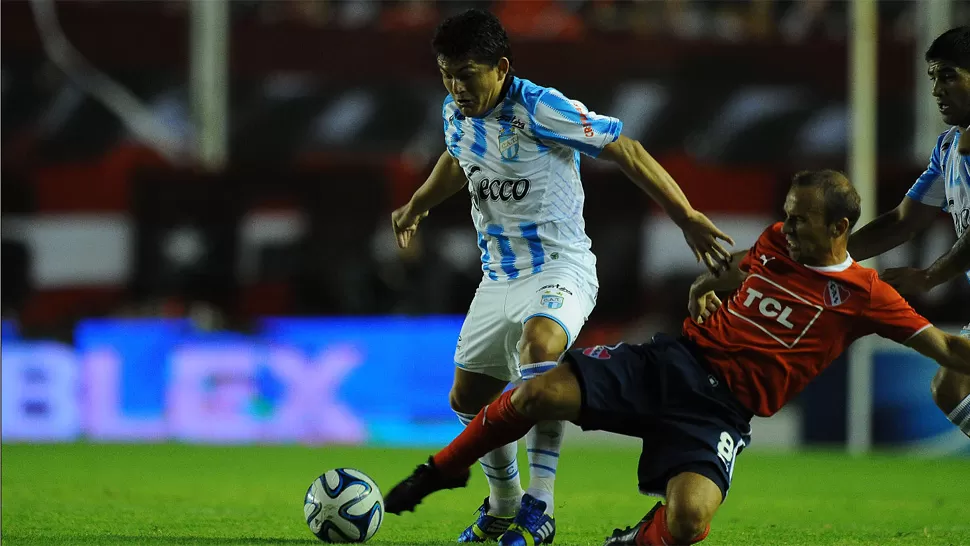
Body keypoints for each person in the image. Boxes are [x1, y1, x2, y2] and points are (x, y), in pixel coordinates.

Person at [384, 170, 970, 546]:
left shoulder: (867, 297)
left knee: (689, 522)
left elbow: (944, 348)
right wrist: (704, 284)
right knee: (535, 391)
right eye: (786, 213)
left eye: (800, 219)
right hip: (672, 363)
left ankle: (635, 539)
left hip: (720, 414)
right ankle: (440, 471)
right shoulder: (774, 243)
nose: (785, 227)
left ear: (840, 227)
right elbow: (738, 263)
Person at [389, 8, 735, 545]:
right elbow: (459, 159)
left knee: (539, 349)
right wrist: (417, 203)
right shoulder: (456, 112)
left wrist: (686, 215)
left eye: (468, 74)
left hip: (560, 266)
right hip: (498, 277)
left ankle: (540, 505)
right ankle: (503, 504)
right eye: (447, 74)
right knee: (468, 399)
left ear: (501, 68)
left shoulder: (541, 107)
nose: (457, 86)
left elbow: (626, 148)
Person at [848, 26, 970, 438]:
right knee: (951, 386)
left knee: (954, 381)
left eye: (949, 75)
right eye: (934, 76)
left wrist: (929, 276)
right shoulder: (948, 148)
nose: (938, 88)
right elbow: (903, 221)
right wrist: (829, 257)